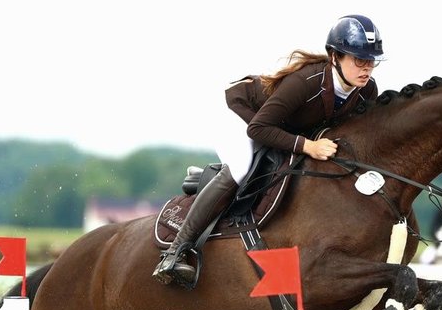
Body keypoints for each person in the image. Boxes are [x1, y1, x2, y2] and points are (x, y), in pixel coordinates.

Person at [153, 14, 383, 286]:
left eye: (371, 61)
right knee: (241, 167)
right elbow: (258, 129)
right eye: (359, 60)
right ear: (335, 57)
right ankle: (175, 252)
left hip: (278, 126)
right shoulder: (306, 82)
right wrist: (307, 145)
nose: (367, 68)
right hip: (240, 114)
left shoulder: (366, 92)